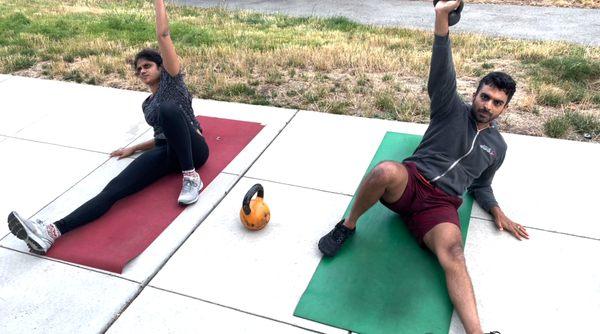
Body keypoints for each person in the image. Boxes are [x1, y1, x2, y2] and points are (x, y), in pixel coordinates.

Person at [317, 1, 528, 333]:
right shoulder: (449, 108)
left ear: (505, 107)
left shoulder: (497, 148)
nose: (488, 106)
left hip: (440, 206)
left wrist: (496, 209)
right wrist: (442, 17)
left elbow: (481, 185)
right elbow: (442, 66)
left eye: (497, 102)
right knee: (385, 170)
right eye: (484, 97)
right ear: (475, 94)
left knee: (455, 254)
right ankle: (348, 224)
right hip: (411, 182)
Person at [7, 0, 209, 255]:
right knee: (113, 190)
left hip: (195, 150)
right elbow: (162, 137)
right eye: (138, 70)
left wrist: (158, 3)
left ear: (161, 67)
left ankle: (191, 178)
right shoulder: (147, 104)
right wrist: (133, 148)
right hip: (169, 153)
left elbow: (163, 34)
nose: (142, 71)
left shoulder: (174, 82)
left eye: (147, 66)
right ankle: (51, 232)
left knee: (168, 109)